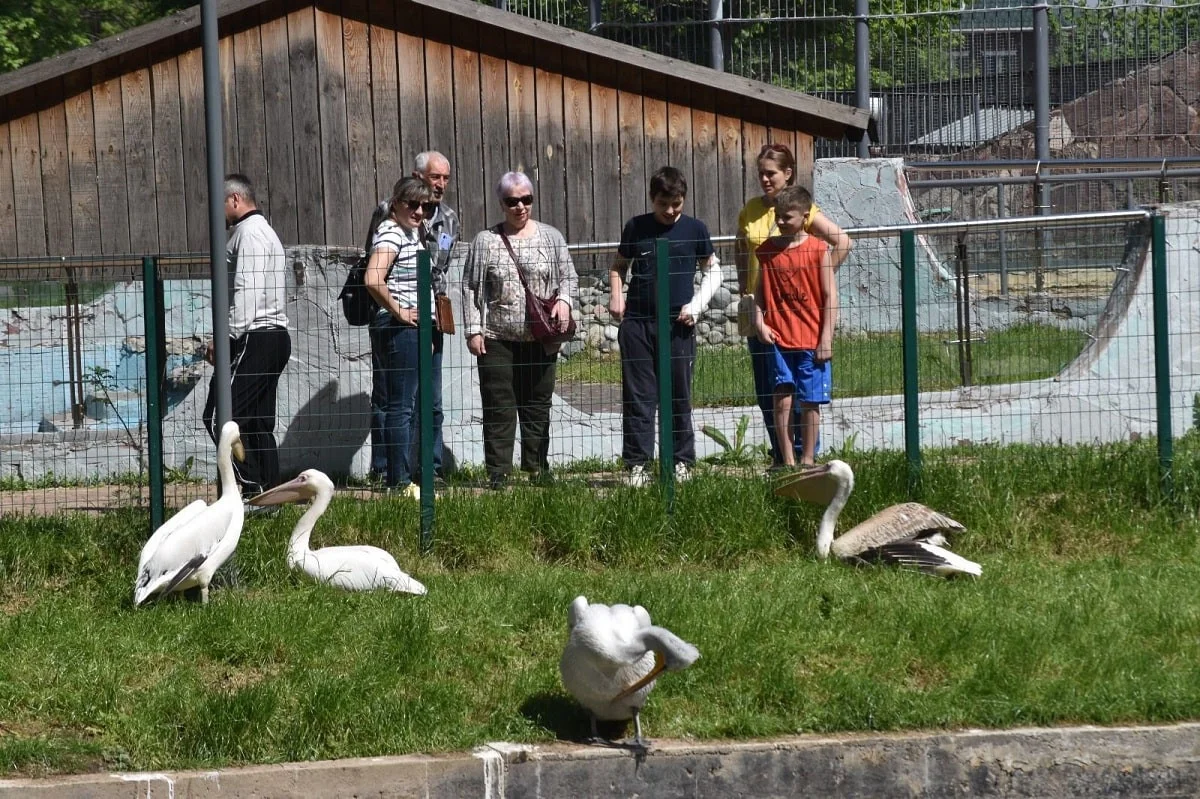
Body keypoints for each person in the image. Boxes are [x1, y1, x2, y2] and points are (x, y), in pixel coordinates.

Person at [736, 143, 851, 469]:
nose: (764, 179)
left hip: (801, 315)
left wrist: (815, 276)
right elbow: (740, 248)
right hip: (765, 310)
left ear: (787, 173)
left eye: (770, 173)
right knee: (769, 388)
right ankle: (780, 455)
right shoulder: (752, 210)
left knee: (805, 393)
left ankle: (805, 456)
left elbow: (842, 242)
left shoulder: (801, 210)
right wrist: (745, 290)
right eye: (760, 172)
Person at [461, 171, 578, 489]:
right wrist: (474, 330)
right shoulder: (485, 241)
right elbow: (471, 287)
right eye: (512, 201)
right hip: (498, 338)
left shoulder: (551, 237)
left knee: (538, 404)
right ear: (501, 203)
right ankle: (498, 472)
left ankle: (537, 468)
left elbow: (569, 276)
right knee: (499, 406)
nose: (520, 207)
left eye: (526, 199)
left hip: (541, 338)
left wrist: (565, 302)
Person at [609, 166, 722, 487]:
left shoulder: (695, 229)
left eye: (677, 204)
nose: (670, 211)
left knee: (678, 396)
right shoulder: (636, 227)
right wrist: (616, 296)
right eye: (663, 204)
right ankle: (637, 466)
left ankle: (681, 462)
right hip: (638, 324)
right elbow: (618, 266)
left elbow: (713, 272)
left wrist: (696, 306)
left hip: (678, 326)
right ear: (652, 199)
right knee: (639, 397)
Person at [368, 151, 458, 484]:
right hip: (399, 317)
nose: (441, 185)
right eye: (436, 177)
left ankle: (429, 469)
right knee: (391, 398)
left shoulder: (448, 219)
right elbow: (375, 268)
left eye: (446, 178)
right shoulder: (388, 216)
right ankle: (387, 471)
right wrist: (396, 309)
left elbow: (442, 261)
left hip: (431, 313)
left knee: (430, 400)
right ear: (417, 176)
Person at [202, 173, 292, 499]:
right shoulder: (261, 231)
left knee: (219, 419)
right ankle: (272, 495)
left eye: (220, 205)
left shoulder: (250, 234)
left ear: (235, 200)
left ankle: (253, 490)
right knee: (255, 424)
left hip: (256, 336)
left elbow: (247, 290)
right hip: (272, 336)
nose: (218, 214)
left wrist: (227, 338)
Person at [365, 177, 437, 498]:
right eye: (412, 204)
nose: (419, 210)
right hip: (399, 330)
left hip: (413, 329)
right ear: (395, 202)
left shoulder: (410, 232)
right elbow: (373, 278)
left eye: (426, 205)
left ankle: (402, 479)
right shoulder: (392, 233)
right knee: (400, 408)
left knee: (405, 405)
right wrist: (399, 312)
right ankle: (399, 482)